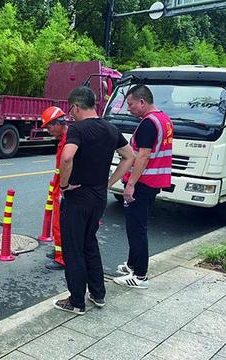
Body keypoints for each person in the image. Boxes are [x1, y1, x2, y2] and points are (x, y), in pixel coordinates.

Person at [53, 86, 134, 315]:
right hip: (99, 196)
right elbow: (130, 156)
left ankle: (76, 301)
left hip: (77, 197)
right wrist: (110, 182)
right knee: (89, 243)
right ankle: (98, 294)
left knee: (73, 248)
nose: (71, 114)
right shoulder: (111, 128)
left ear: (77, 107)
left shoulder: (78, 129)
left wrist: (65, 186)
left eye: (71, 110)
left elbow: (67, 157)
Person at [113, 85, 173, 289]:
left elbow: (143, 156)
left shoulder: (148, 123)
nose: (128, 108)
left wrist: (130, 184)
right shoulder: (163, 119)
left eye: (130, 104)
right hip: (154, 181)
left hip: (143, 182)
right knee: (136, 226)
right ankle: (132, 264)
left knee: (137, 229)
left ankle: (139, 275)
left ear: (142, 102)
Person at [41, 106, 68, 271]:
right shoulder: (65, 139)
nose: (48, 130)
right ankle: (60, 251)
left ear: (58, 124)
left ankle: (62, 258)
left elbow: (66, 166)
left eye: (49, 126)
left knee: (60, 224)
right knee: (59, 223)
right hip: (60, 187)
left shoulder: (67, 141)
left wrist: (62, 189)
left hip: (63, 190)